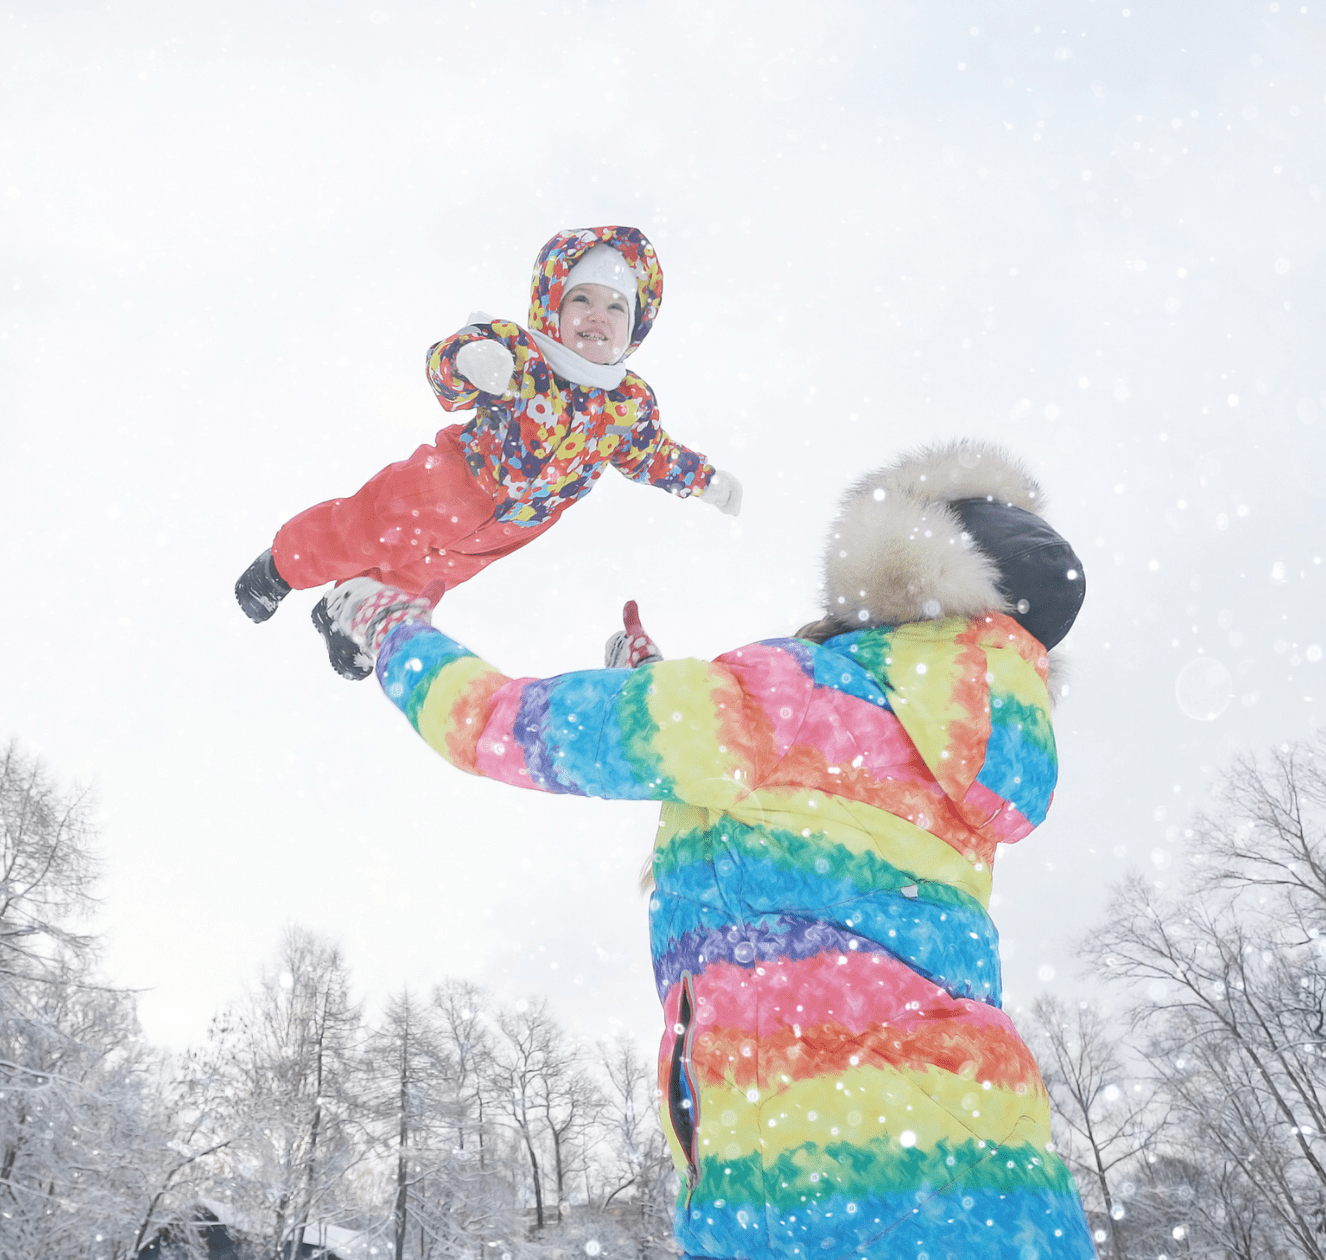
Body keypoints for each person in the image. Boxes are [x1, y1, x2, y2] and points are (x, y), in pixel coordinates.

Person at [322, 439, 1094, 1260]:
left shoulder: (796, 696)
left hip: (820, 1190)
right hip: (995, 1183)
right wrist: (656, 688)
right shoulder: (970, 749)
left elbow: (500, 725)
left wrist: (393, 630)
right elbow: (799, 818)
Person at [233, 225, 742, 679]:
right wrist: (471, 360)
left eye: (616, 308)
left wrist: (704, 480)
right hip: (452, 480)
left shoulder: (629, 404)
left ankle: (346, 615)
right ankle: (282, 566)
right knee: (365, 531)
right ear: (553, 306)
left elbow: (652, 454)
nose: (598, 316)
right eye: (582, 299)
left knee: (425, 575)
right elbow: (445, 365)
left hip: (516, 524)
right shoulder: (522, 352)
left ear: (633, 328)